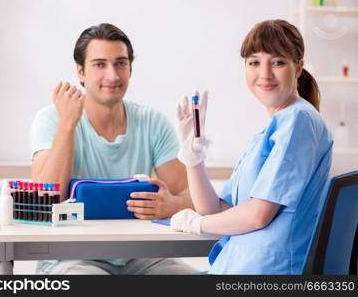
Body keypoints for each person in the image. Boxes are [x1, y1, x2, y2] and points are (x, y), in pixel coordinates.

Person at [30, 23, 197, 275]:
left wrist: (171, 205)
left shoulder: (151, 122)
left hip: (143, 256)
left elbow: (191, 195)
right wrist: (67, 124)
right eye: (99, 64)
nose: (113, 75)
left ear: (130, 69)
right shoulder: (52, 119)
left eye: (121, 63)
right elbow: (44, 199)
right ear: (80, 72)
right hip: (70, 258)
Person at [171, 20, 333, 274]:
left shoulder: (297, 120)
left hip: (267, 271)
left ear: (298, 68)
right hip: (241, 266)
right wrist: (193, 156)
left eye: (278, 62)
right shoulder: (271, 130)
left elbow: (258, 215)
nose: (265, 74)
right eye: (254, 62)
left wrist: (197, 224)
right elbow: (216, 209)